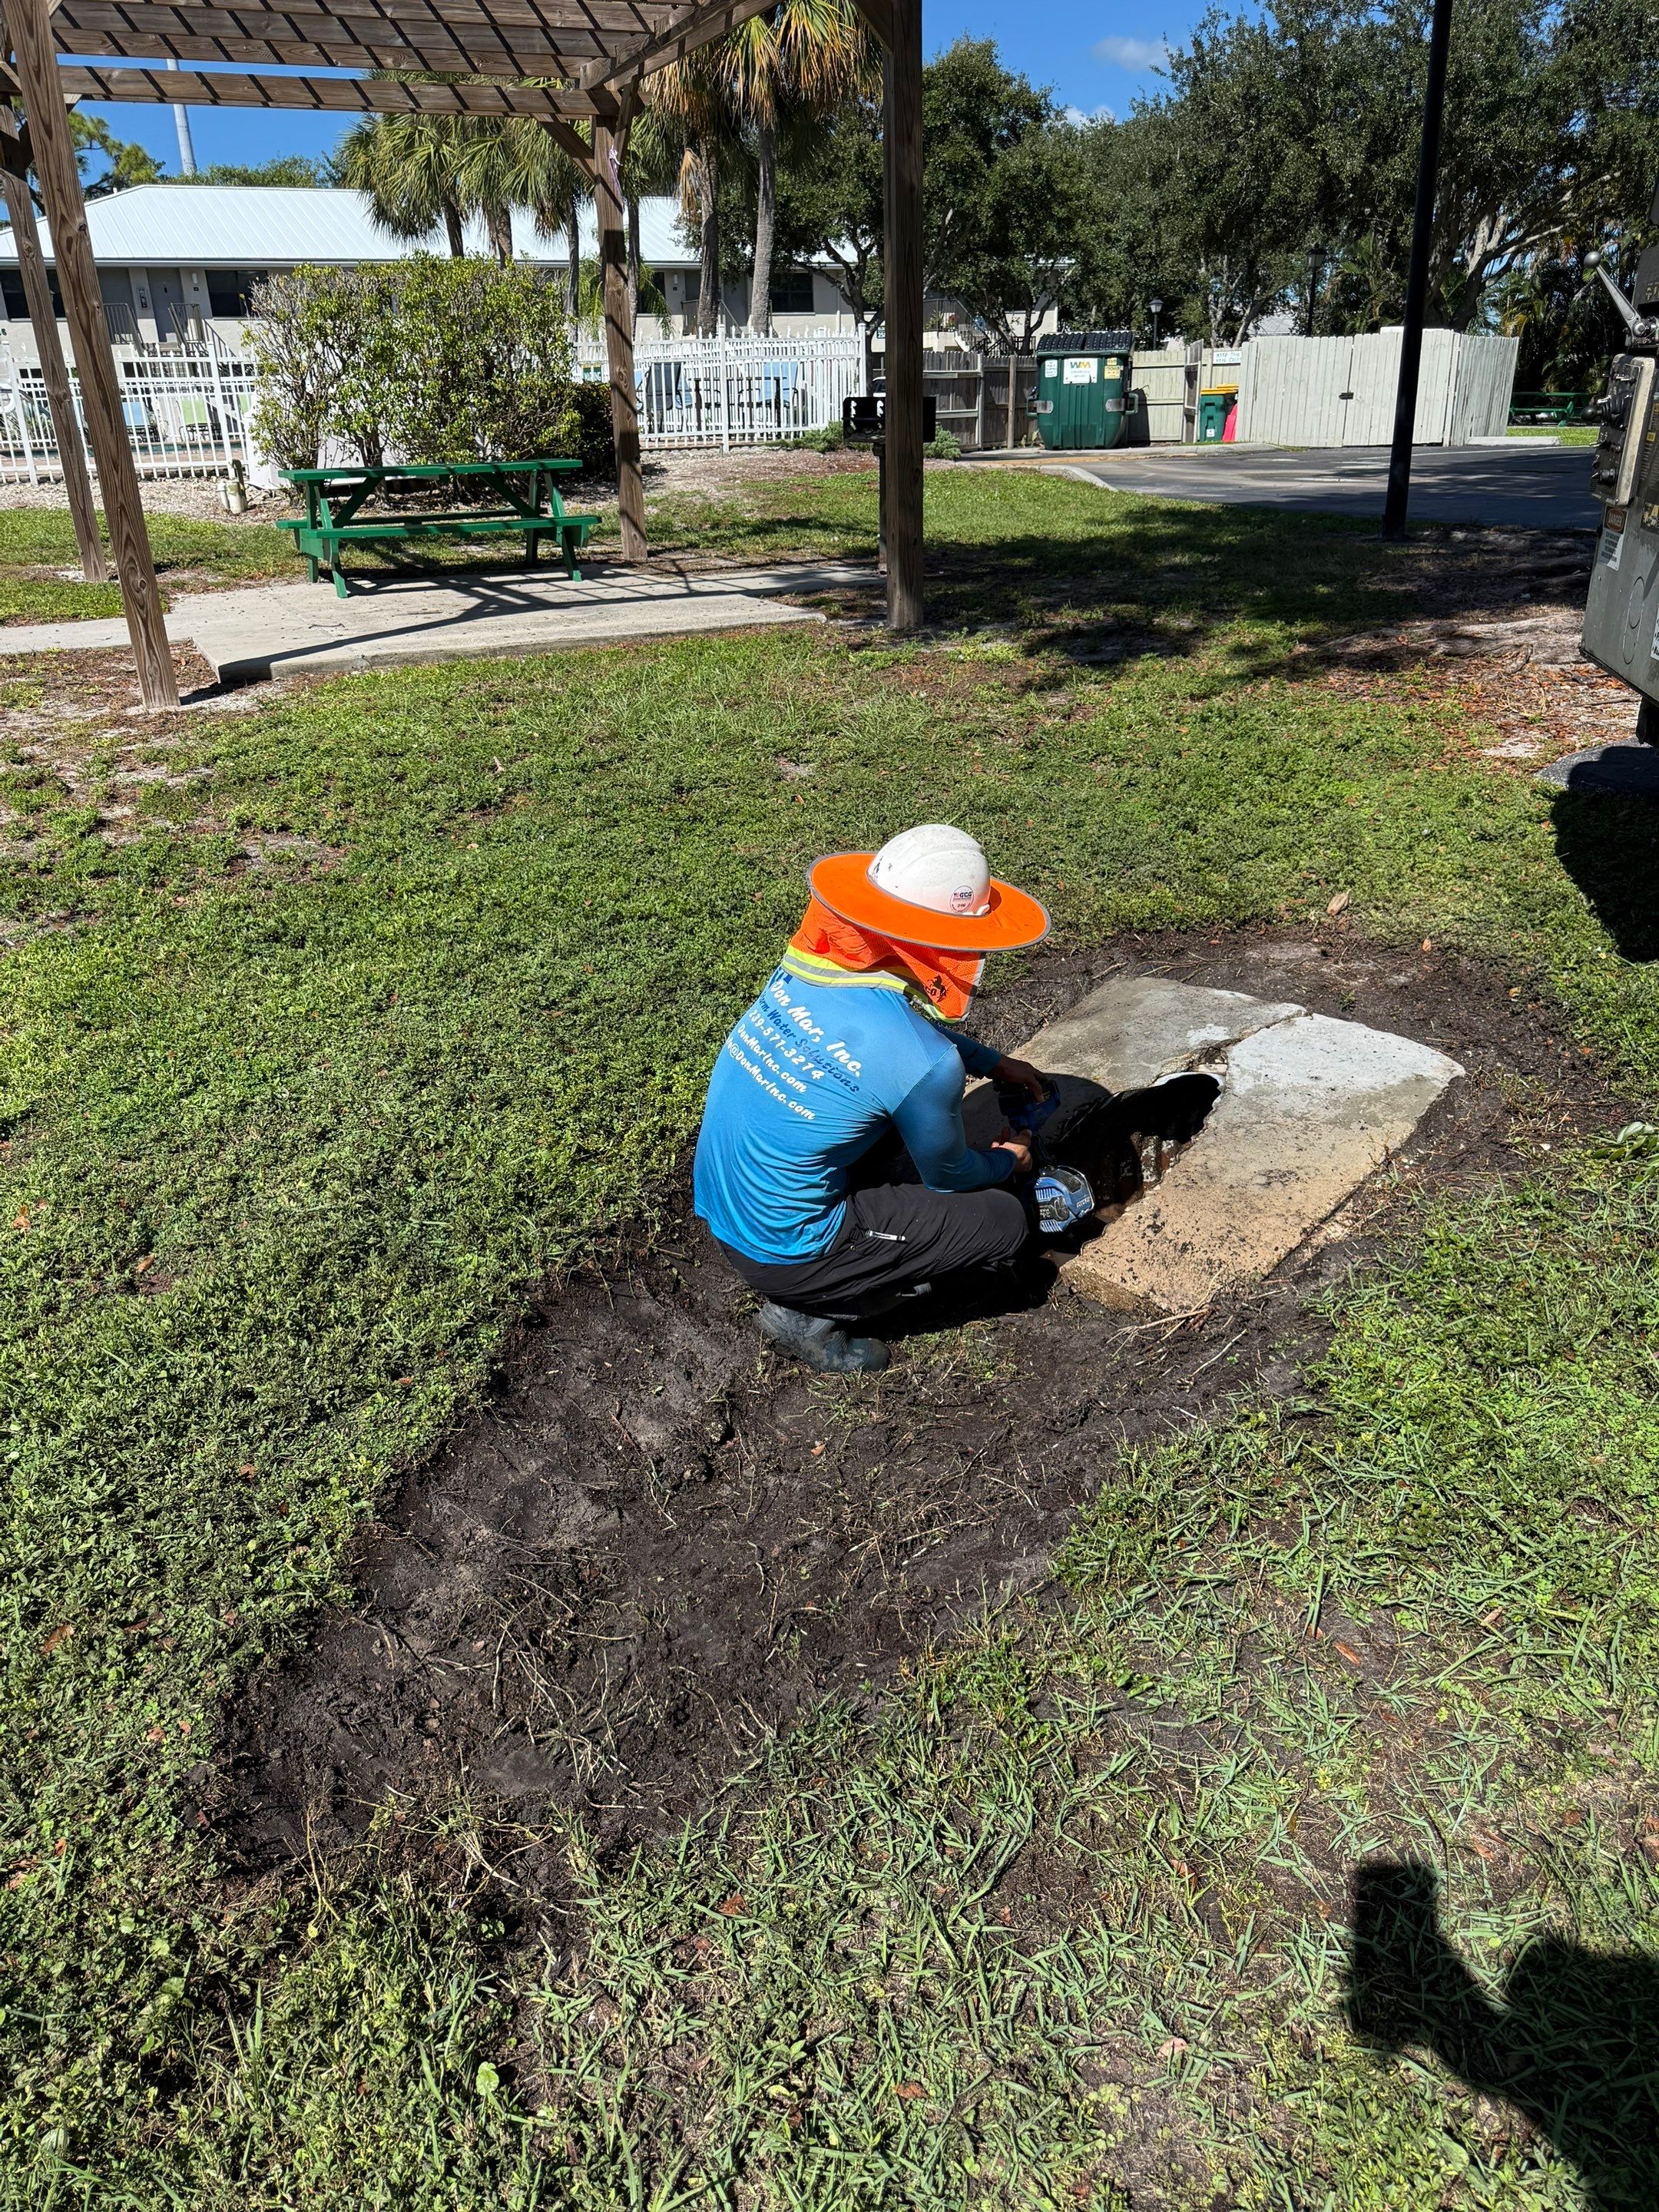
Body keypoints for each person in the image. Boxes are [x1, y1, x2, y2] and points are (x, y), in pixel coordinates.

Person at [693, 823, 1051, 1373]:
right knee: (1003, 1221)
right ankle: (810, 1311)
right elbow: (949, 1176)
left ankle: (835, 1264)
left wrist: (989, 1061)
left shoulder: (807, 971)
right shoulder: (926, 1066)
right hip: (787, 1253)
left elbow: (877, 1040)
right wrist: (1011, 1158)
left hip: (725, 1209)